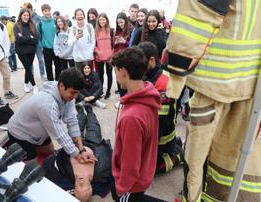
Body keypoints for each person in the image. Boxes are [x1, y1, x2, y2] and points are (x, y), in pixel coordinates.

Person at [164, 1, 261, 201]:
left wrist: (175, 77)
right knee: (242, 159)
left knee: (201, 158)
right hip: (250, 90)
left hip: (217, 85)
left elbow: (197, 13)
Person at [7, 68, 97, 163]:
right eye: (73, 92)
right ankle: (16, 147)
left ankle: (30, 149)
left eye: (77, 93)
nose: (75, 96)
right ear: (62, 86)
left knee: (50, 151)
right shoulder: (47, 104)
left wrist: (81, 149)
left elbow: (72, 120)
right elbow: (59, 134)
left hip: (37, 133)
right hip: (20, 134)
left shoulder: (67, 94)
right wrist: (77, 155)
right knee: (33, 168)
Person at [111, 47, 161, 202]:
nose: (116, 76)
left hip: (132, 185)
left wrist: (121, 189)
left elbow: (130, 163)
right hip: (145, 172)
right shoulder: (148, 95)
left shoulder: (131, 117)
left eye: (116, 71)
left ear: (123, 72)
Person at [43, 104, 112, 201]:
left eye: (78, 188)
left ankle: (80, 112)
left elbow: (50, 164)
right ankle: (90, 112)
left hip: (74, 146)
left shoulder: (65, 176)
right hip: (94, 146)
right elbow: (111, 163)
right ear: (92, 188)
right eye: (85, 188)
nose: (81, 184)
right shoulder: (101, 176)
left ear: (73, 189)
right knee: (94, 128)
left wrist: (60, 153)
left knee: (77, 127)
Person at [138, 41, 184, 174]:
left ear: (152, 60)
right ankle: (176, 144)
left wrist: (147, 147)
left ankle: (178, 154)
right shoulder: (150, 72)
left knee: (147, 170)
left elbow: (159, 123)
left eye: (141, 62)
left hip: (162, 138)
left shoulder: (163, 83)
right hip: (153, 132)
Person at [14, 8, 39, 94]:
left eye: (28, 15)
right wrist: (29, 37)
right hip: (21, 52)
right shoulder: (16, 25)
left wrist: (24, 37)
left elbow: (36, 39)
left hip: (31, 51)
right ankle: (35, 85)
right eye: (24, 15)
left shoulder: (32, 25)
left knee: (27, 68)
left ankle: (25, 83)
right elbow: (19, 40)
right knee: (28, 68)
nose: (26, 17)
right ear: (21, 16)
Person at [113, 12, 133, 108]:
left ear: (125, 21)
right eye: (118, 23)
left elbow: (132, 44)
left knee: (126, 79)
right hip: (117, 58)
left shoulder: (131, 30)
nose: (120, 24)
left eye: (121, 22)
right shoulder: (117, 31)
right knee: (118, 79)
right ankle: (121, 98)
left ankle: (126, 98)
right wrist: (115, 42)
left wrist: (125, 41)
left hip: (127, 58)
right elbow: (114, 46)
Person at [37, 4, 61, 81]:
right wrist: (42, 45)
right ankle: (50, 83)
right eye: (45, 11)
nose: (47, 12)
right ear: (42, 12)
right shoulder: (40, 24)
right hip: (46, 49)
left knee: (58, 67)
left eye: (48, 11)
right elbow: (38, 36)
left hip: (56, 49)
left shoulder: (55, 22)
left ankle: (58, 82)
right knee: (48, 67)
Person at [22, 2, 46, 80]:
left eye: (25, 9)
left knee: (40, 60)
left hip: (38, 44)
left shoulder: (39, 18)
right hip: (29, 44)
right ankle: (30, 76)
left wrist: (42, 42)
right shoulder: (25, 18)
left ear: (30, 9)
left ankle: (42, 74)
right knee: (30, 62)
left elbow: (43, 32)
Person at [94, 13, 114, 99]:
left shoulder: (111, 30)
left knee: (109, 74)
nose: (102, 21)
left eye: (103, 19)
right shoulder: (96, 31)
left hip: (109, 58)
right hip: (99, 57)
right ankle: (100, 91)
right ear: (98, 21)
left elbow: (114, 44)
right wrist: (98, 52)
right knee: (100, 75)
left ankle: (108, 91)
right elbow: (93, 44)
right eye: (100, 20)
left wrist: (112, 54)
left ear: (106, 20)